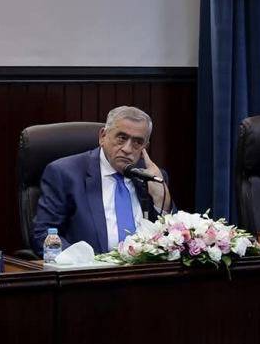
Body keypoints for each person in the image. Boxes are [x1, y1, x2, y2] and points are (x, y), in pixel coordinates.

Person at [31, 106, 173, 254]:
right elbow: (43, 234)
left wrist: (161, 201)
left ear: (145, 147)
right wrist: (83, 261)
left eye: (137, 142)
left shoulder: (151, 178)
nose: (127, 149)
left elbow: (174, 240)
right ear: (103, 136)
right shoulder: (65, 174)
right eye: (122, 138)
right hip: (88, 267)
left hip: (145, 267)